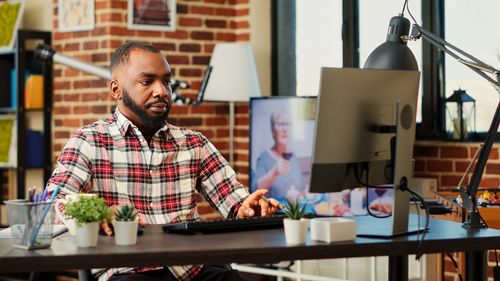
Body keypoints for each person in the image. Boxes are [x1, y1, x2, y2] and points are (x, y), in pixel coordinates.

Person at [45, 41, 282, 281]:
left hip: (194, 269)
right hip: (127, 271)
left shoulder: (193, 143)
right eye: (147, 82)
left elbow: (234, 201)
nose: (161, 91)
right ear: (116, 90)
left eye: (166, 81)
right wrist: (101, 213)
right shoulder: (89, 141)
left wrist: (247, 207)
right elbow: (54, 204)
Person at [252, 111, 305, 200]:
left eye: (287, 124)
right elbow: (255, 191)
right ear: (273, 130)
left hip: (295, 212)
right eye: (280, 124)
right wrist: (274, 173)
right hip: (274, 212)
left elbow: (301, 190)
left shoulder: (294, 157)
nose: (285, 129)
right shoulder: (264, 157)